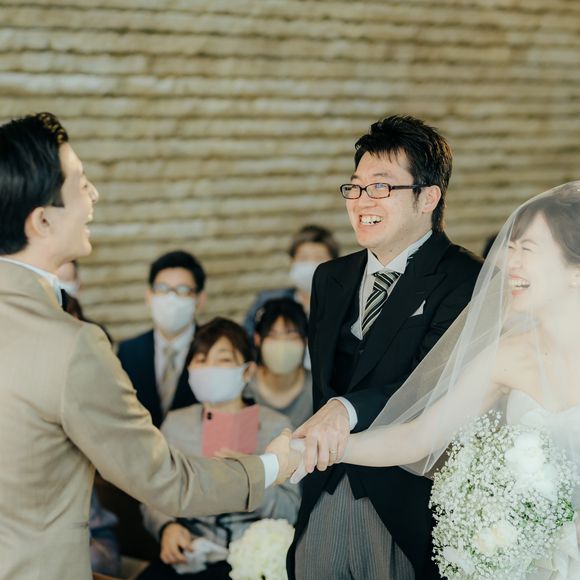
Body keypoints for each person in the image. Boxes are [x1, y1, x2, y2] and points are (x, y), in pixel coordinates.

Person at [0, 112, 299, 579]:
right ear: (41, 220)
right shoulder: (71, 344)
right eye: (80, 182)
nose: (94, 194)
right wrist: (272, 466)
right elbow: (167, 480)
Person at [339, 182, 580, 579]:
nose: (510, 262)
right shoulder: (507, 355)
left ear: (575, 272)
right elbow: (419, 436)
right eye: (511, 247)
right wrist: (325, 448)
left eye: (528, 249)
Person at [288, 115, 483, 580]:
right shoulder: (330, 278)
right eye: (355, 187)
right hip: (324, 491)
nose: (362, 201)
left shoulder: (465, 278)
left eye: (380, 187)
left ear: (428, 197)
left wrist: (345, 410)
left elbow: (432, 385)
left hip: (408, 504)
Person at [139, 318, 300, 579]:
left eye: (223, 359)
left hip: (251, 559)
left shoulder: (276, 427)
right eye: (201, 360)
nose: (209, 368)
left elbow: (291, 509)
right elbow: (154, 492)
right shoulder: (176, 424)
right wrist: (166, 527)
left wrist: (254, 474)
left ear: (247, 371)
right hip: (191, 553)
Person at [118, 250, 206, 428]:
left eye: (183, 290)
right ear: (149, 296)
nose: (171, 298)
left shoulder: (213, 350)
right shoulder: (128, 352)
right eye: (162, 289)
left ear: (200, 299)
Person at [243, 224, 339, 337]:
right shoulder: (268, 303)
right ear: (292, 261)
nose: (310, 265)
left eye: (319, 258)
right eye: (303, 258)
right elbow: (247, 338)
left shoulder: (345, 307)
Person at [247, 298, 313, 429]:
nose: (282, 345)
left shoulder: (318, 388)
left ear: (305, 340)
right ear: (257, 339)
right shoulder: (243, 387)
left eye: (291, 336)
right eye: (273, 336)